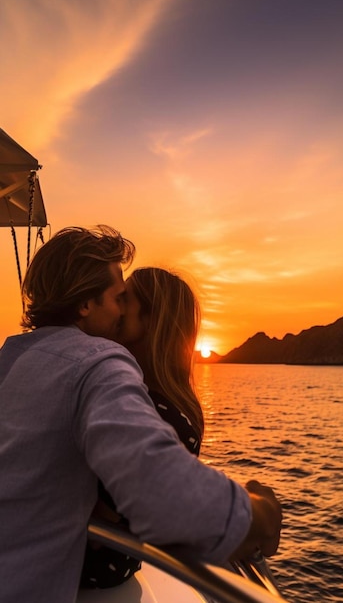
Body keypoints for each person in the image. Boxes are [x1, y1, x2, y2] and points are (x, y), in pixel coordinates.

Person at [0, 225, 282, 603]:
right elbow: (161, 487)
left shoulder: (11, 356)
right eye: (119, 297)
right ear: (86, 304)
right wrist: (259, 515)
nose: (120, 310)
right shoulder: (96, 362)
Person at [80, 267, 204, 588]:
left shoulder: (159, 412)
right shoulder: (135, 392)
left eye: (125, 299)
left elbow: (103, 519)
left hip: (91, 566)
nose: (115, 307)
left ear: (151, 319)